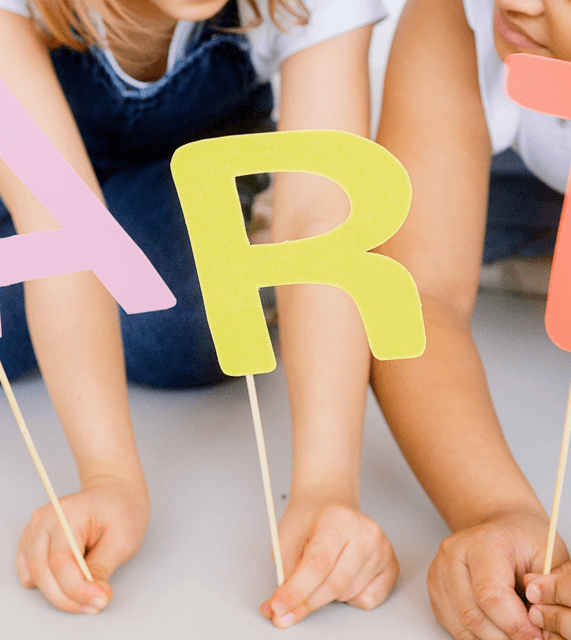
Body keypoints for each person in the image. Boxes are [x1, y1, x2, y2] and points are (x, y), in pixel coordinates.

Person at [0, 0, 399, 626]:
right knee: (112, 264)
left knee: (185, 308)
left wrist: (326, 487)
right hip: (31, 200)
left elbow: (320, 218)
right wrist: (110, 476)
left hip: (171, 201)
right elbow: (61, 220)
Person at [374, 0, 571, 638]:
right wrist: (495, 510)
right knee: (384, 227)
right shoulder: (459, 19)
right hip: (534, 176)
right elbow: (415, 295)